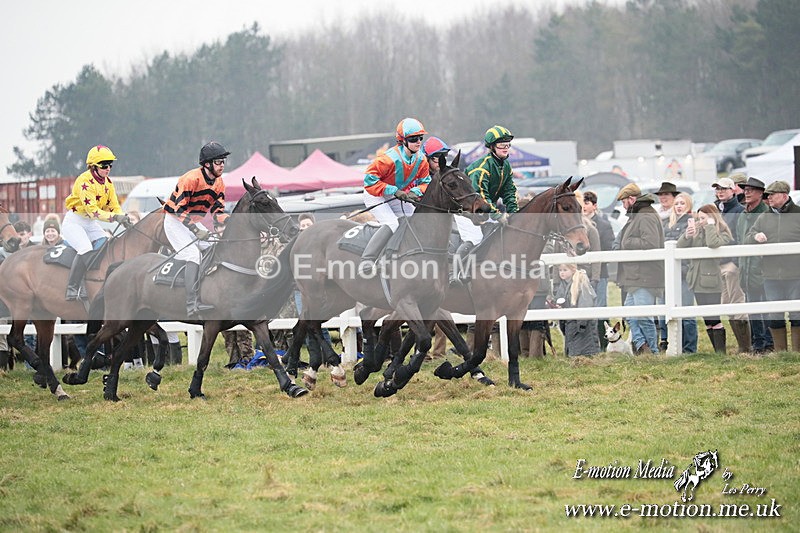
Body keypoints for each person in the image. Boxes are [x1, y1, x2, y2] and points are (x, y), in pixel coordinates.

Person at [163, 141, 230, 317]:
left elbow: (218, 212)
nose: (222, 165)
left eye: (223, 161)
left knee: (213, 248)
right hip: (174, 221)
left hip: (192, 221)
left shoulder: (219, 183)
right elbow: (179, 209)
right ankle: (191, 303)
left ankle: (207, 292)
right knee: (193, 255)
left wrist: (231, 222)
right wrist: (195, 230)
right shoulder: (191, 179)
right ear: (207, 164)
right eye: (218, 162)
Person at [358, 118, 430, 274]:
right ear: (403, 140)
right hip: (374, 193)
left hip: (396, 194)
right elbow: (369, 180)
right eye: (413, 139)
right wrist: (394, 190)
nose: (418, 142)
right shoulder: (387, 159)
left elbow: (426, 182)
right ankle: (367, 261)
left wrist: (415, 191)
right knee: (392, 223)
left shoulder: (422, 159)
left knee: (415, 221)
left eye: (420, 138)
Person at [450, 125, 518, 284]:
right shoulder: (481, 168)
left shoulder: (505, 166)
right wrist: (497, 215)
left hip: (484, 210)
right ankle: (456, 273)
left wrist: (515, 212)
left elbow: (509, 191)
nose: (506, 148)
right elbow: (481, 195)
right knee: (475, 238)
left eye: (507, 144)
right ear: (492, 147)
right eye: (502, 144)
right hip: (466, 210)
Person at [62, 145, 131, 300]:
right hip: (74, 222)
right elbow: (93, 211)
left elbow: (114, 206)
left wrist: (123, 217)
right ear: (93, 166)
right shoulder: (84, 181)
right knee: (85, 248)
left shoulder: (108, 183)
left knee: (105, 242)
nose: (108, 169)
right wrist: (115, 218)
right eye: (104, 165)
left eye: (110, 165)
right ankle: (73, 287)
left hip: (90, 223)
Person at [745, 180, 800, 352]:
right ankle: (781, 352)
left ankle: (797, 351)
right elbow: (748, 237)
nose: (768, 198)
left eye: (772, 194)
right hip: (770, 275)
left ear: (784, 195)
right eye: (767, 195)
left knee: (797, 313)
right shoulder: (763, 217)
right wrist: (755, 236)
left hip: (796, 274)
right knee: (775, 313)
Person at [615, 183, 664, 354]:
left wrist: (627, 242)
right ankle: (642, 345)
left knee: (643, 317)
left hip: (645, 275)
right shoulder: (639, 215)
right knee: (630, 315)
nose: (623, 206)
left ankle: (653, 352)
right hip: (637, 275)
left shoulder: (645, 216)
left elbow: (651, 243)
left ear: (631, 199)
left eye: (624, 202)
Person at [677, 204, 733, 353]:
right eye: (699, 218)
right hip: (696, 280)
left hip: (711, 281)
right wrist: (687, 235)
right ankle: (717, 352)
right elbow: (679, 247)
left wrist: (710, 226)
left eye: (703, 218)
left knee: (714, 318)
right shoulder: (697, 230)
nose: (700, 221)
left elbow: (713, 243)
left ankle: (720, 352)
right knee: (707, 319)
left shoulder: (722, 232)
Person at [735, 177, 773, 354]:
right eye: (745, 189)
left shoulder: (766, 214)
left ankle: (768, 343)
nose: (747, 193)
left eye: (751, 190)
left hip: (762, 268)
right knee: (752, 307)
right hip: (747, 269)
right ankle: (758, 343)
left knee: (765, 307)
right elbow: (739, 241)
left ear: (760, 193)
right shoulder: (743, 216)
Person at [712, 177, 749, 353]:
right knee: (727, 304)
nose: (720, 192)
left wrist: (735, 262)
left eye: (724, 189)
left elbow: (740, 237)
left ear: (732, 190)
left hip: (732, 264)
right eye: (718, 189)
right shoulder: (716, 210)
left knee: (737, 303)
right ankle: (742, 345)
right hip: (719, 263)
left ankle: (745, 346)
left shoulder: (739, 211)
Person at [662, 192, 698, 353]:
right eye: (676, 203)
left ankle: (689, 347)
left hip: (684, 272)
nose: (679, 206)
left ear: (688, 205)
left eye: (682, 203)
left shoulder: (691, 223)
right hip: (669, 273)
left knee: (687, 311)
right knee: (669, 310)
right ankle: (674, 345)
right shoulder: (667, 224)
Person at [554, 263, 600, 357]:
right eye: (560, 270)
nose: (562, 273)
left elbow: (585, 304)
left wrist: (581, 324)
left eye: (565, 270)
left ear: (573, 270)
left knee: (584, 352)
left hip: (581, 325)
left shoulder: (581, 283)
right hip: (571, 324)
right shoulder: (563, 285)